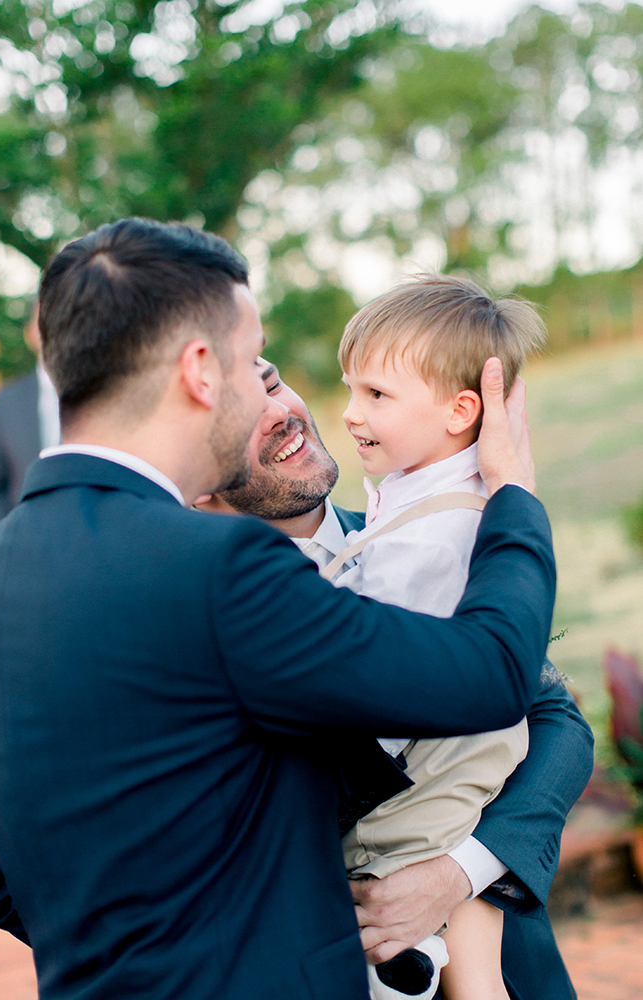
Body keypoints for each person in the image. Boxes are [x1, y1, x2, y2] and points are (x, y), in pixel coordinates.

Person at [0, 218, 556, 1000]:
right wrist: (510, 492)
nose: (267, 392)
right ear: (200, 371)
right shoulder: (217, 568)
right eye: (253, 362)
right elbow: (489, 674)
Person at [203, 357, 593, 1000]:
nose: (277, 414)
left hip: (509, 973)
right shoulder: (205, 624)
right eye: (237, 414)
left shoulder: (429, 535)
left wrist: (458, 873)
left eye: (271, 382)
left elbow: (556, 723)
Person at [331, 275, 546, 1000]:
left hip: (417, 770)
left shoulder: (435, 535)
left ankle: (408, 968)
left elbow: (387, 690)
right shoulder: (412, 483)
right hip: (448, 753)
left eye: (376, 396)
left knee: (382, 886)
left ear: (461, 411)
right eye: (349, 389)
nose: (350, 413)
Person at [0, 299, 60, 527]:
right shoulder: (6, 401)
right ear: (29, 333)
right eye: (42, 321)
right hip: (20, 540)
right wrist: (9, 535)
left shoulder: (96, 394)